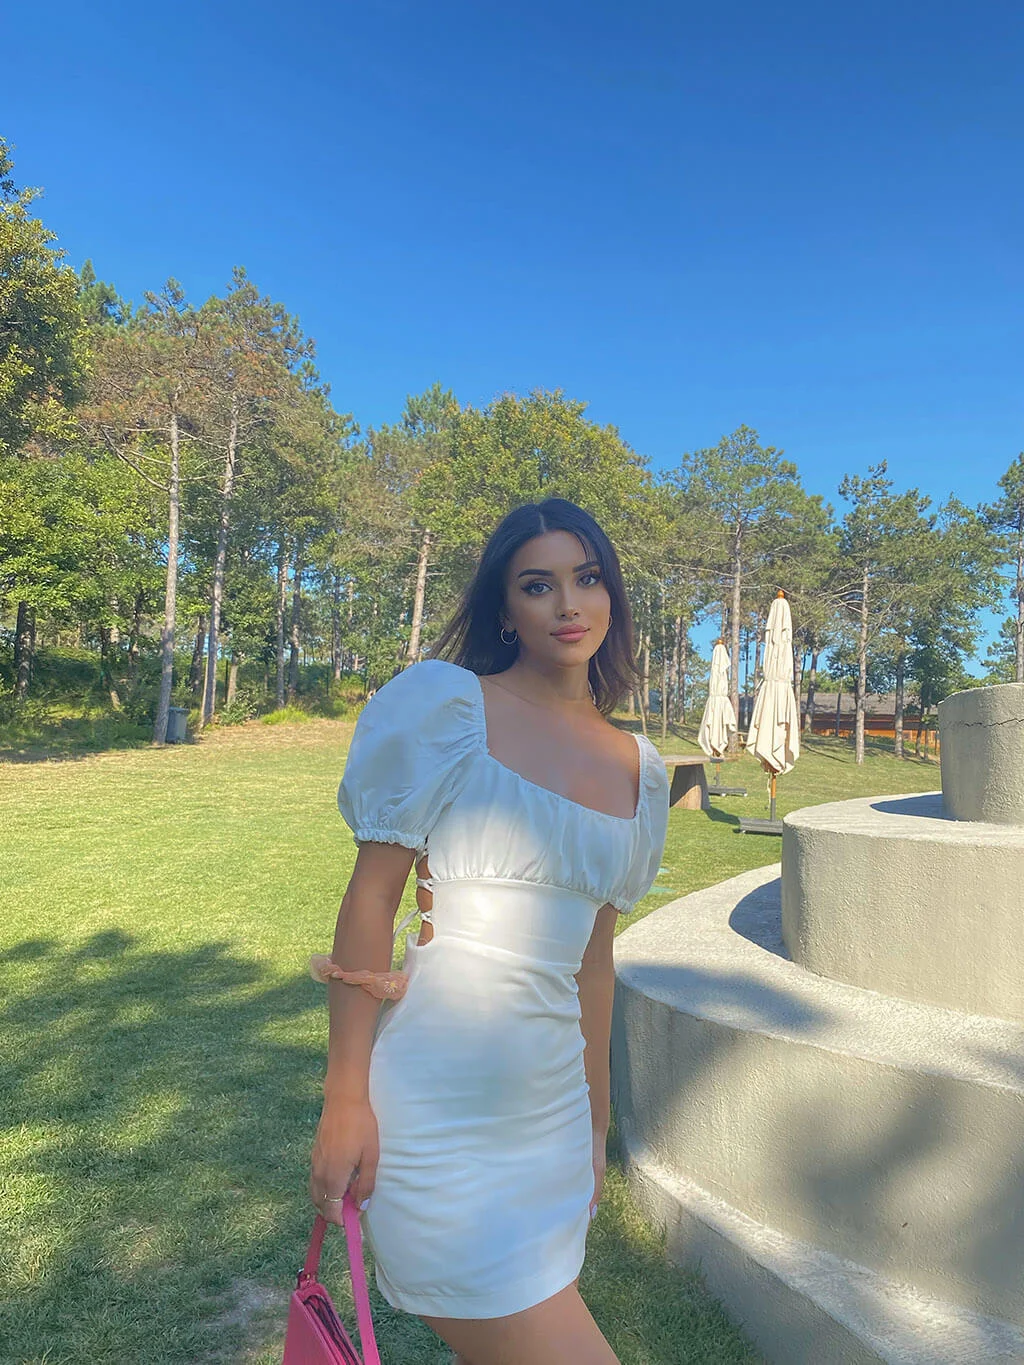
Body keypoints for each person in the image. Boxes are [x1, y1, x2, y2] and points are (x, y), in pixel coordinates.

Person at [308, 498, 670, 1364]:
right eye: (537, 585)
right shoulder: (446, 707)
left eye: (587, 578)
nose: (567, 604)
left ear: (612, 596)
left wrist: (595, 1127)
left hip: (551, 1127)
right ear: (506, 609)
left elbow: (594, 965)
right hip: (436, 1117)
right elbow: (371, 898)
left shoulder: (641, 769)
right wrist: (345, 1096)